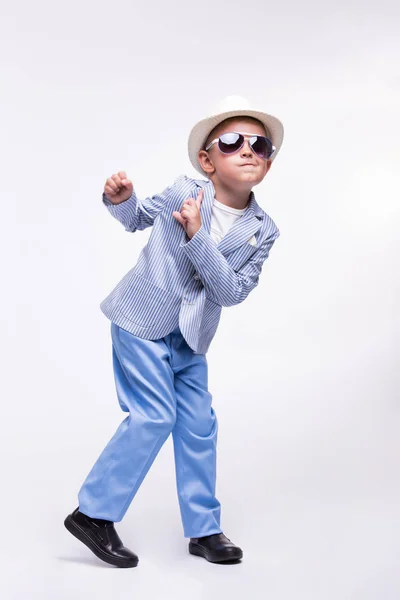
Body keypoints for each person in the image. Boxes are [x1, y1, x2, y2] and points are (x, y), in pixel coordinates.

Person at [64, 95, 284, 567]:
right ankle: (93, 513)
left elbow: (229, 291)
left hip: (191, 339)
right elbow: (138, 217)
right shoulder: (187, 190)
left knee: (199, 426)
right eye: (231, 142)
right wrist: (121, 201)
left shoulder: (263, 230)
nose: (248, 150)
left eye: (260, 145)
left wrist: (197, 236)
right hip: (141, 321)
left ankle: (204, 529)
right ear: (207, 160)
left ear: (268, 163)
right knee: (154, 417)